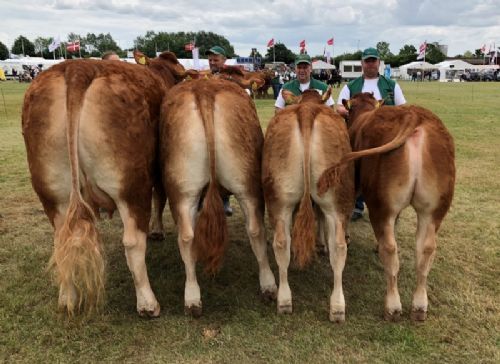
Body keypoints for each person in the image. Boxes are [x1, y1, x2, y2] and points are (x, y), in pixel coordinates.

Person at [336, 47, 406, 221]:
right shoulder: (351, 86)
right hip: (358, 137)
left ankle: (387, 206)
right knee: (356, 170)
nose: (370, 64)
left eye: (373, 61)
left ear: (379, 63)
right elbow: (338, 107)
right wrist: (348, 112)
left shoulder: (391, 85)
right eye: (367, 61)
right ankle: (357, 205)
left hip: (386, 137)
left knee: (384, 174)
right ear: (362, 64)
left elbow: (403, 108)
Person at [205, 45, 233, 216]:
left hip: (226, 127)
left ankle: (224, 199)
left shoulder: (232, 78)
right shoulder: (203, 77)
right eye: (210, 60)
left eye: (216, 60)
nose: (212, 63)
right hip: (205, 124)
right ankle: (203, 198)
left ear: (224, 60)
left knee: (225, 166)